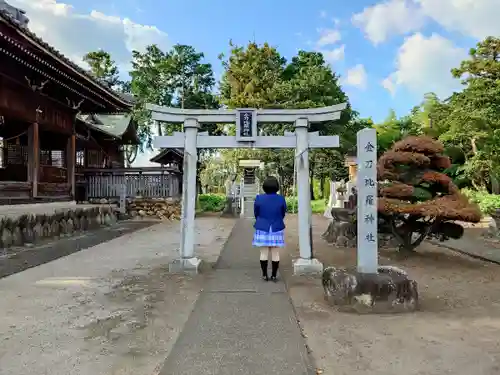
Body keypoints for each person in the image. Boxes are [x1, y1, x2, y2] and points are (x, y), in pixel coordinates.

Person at [252, 176, 287, 282]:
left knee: (263, 252)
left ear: (264, 186)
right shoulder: (281, 198)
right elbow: (283, 212)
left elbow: (256, 213)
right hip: (276, 227)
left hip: (262, 227)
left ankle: (264, 275)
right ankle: (274, 275)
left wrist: (261, 220)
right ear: (276, 186)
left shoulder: (259, 198)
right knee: (275, 253)